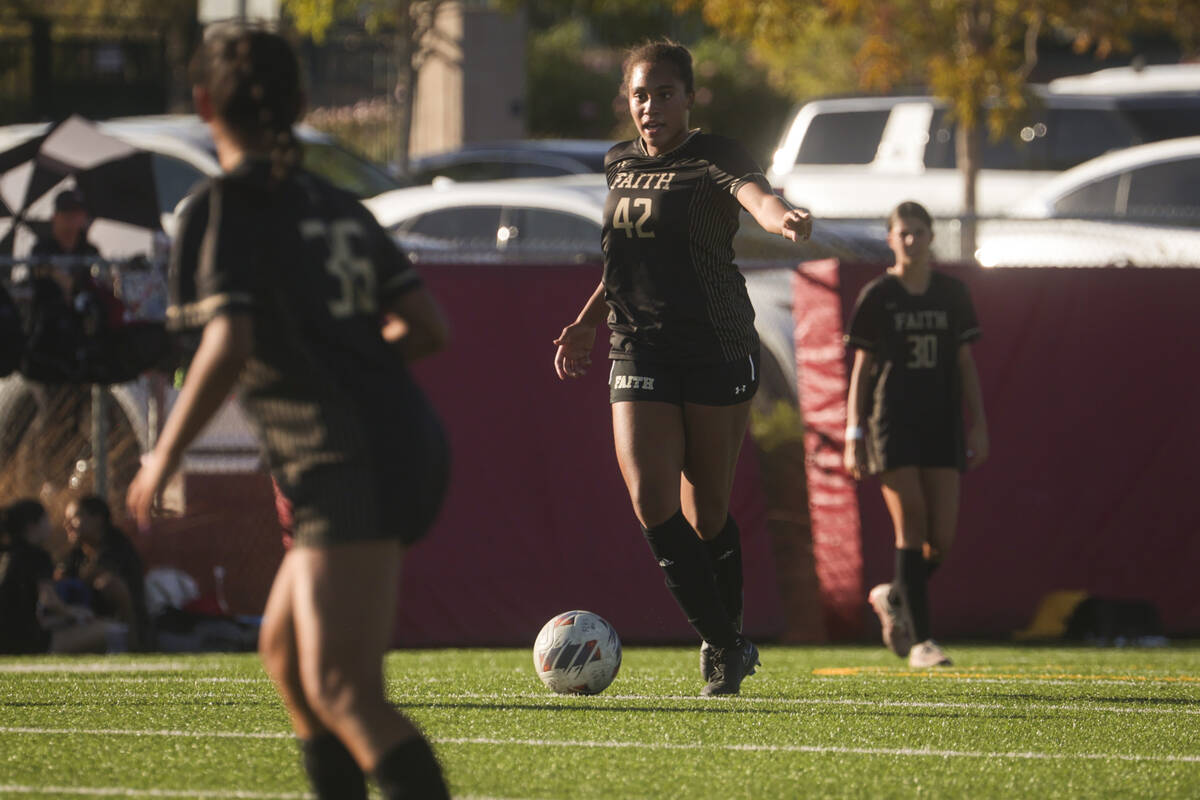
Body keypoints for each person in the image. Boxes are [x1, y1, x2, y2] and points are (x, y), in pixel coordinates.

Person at [125, 24, 451, 800]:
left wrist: (164, 454)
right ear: (304, 104)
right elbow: (429, 329)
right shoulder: (338, 204)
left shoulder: (221, 207)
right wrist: (348, 358)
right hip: (395, 439)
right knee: (286, 656)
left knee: (344, 688)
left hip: (346, 463)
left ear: (203, 103)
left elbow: (229, 339)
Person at [552, 39, 812, 697]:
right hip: (637, 346)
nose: (651, 106)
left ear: (687, 97)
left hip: (716, 344)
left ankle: (726, 639)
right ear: (628, 101)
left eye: (664, 93)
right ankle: (725, 644)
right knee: (650, 501)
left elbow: (756, 195)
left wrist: (784, 217)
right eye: (640, 95)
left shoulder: (713, 155)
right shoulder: (617, 163)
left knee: (711, 513)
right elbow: (622, 263)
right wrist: (586, 322)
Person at [842, 201, 989, 668]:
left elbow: (965, 363)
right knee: (912, 525)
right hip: (893, 424)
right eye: (902, 233)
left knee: (940, 539)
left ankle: (896, 596)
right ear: (890, 238)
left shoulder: (952, 293)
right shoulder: (878, 295)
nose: (910, 241)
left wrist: (979, 422)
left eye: (918, 232)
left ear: (930, 237)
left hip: (941, 423)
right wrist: (854, 433)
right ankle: (924, 643)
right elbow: (862, 370)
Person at [0, 499, 116, 654]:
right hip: (25, 642)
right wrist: (74, 613)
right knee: (110, 629)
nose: (51, 524)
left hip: (5, 637)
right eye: (46, 519)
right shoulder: (37, 556)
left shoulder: (6, 553)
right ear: (32, 526)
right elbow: (48, 599)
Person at [58, 495, 148, 651]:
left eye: (74, 518)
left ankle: (133, 645)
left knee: (109, 584)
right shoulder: (77, 550)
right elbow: (60, 579)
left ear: (97, 519)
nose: (67, 524)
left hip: (116, 618)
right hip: (84, 617)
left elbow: (97, 577)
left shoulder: (118, 545)